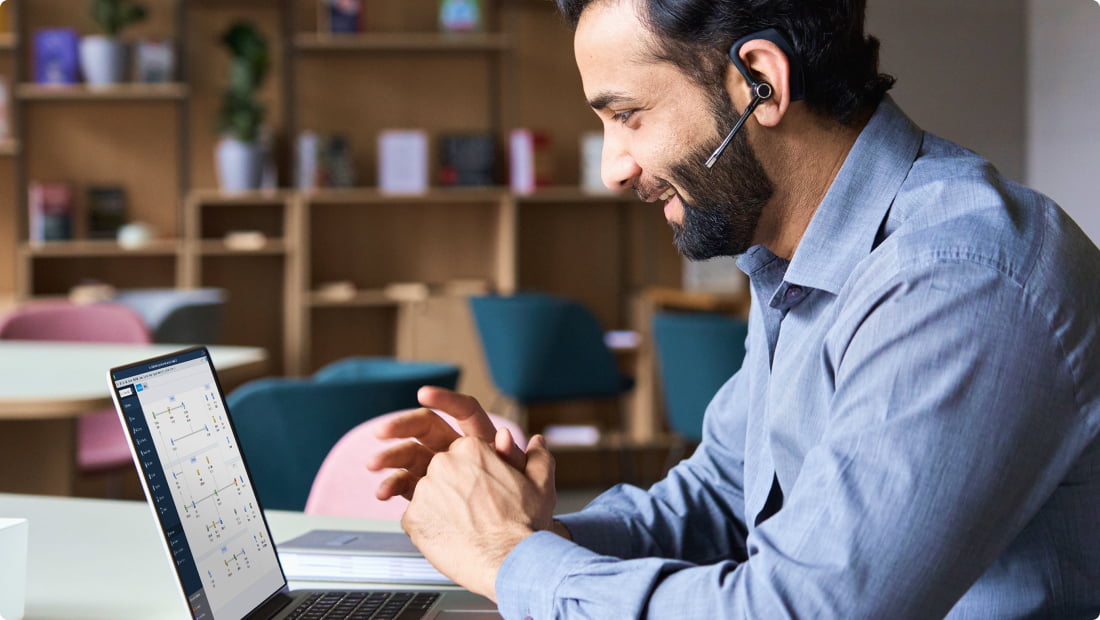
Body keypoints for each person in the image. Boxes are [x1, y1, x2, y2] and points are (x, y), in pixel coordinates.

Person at [368, 0, 1100, 617]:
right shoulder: (793, 259)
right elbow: (722, 501)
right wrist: (525, 528)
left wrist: (511, 559)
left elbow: (801, 610)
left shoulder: (957, 277)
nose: (612, 168)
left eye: (629, 116)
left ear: (761, 82)